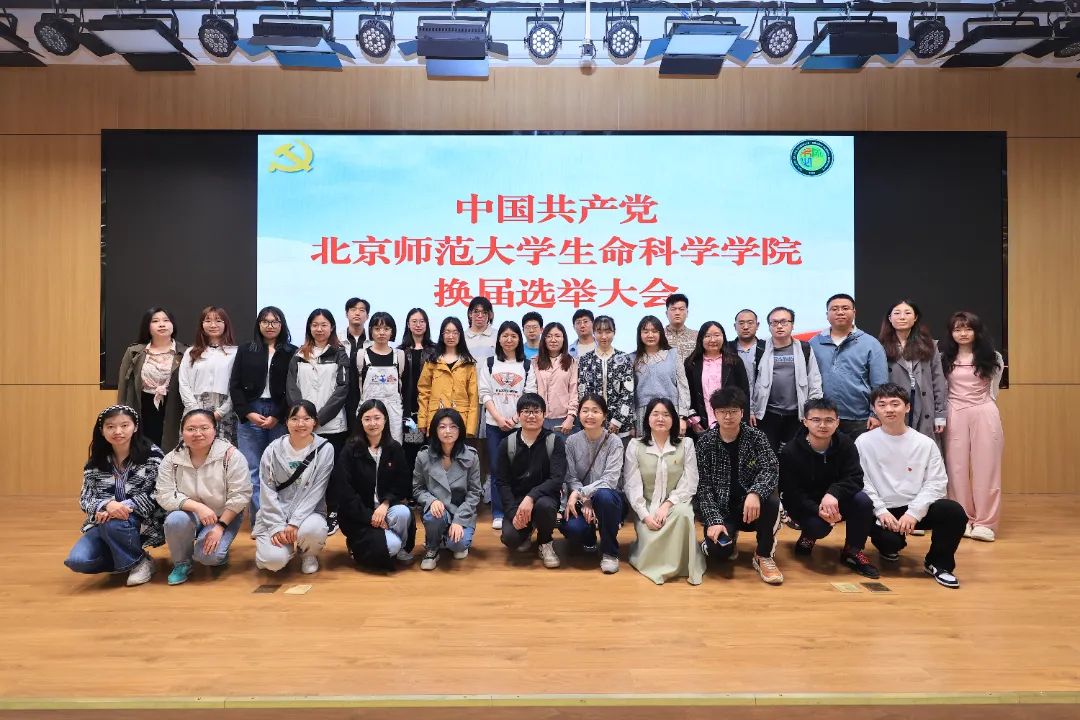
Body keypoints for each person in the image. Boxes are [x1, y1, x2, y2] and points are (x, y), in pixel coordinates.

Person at [856, 383, 968, 589]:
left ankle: (938, 564)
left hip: (915, 507)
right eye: (882, 404)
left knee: (953, 511)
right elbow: (861, 481)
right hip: (883, 510)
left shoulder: (925, 443)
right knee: (890, 542)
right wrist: (880, 510)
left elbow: (937, 482)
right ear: (874, 409)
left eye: (895, 404)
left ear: (907, 407)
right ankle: (888, 546)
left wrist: (914, 513)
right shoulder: (863, 442)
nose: (889, 409)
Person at [778, 398, 879, 578]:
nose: (823, 425)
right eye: (816, 420)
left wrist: (833, 493)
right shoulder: (790, 451)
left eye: (829, 420)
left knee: (863, 501)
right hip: (806, 506)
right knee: (818, 527)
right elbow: (791, 493)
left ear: (837, 422)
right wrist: (818, 509)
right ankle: (808, 536)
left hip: (836, 501)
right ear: (805, 421)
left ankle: (853, 550)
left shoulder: (846, 444)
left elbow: (855, 478)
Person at [64, 405, 164, 586]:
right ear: (102, 431)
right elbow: (85, 498)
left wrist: (120, 508)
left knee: (114, 524)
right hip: (103, 520)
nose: (118, 431)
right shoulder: (95, 461)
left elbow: (157, 493)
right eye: (110, 427)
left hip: (142, 520)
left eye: (124, 425)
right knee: (77, 561)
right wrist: (105, 505)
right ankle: (133, 558)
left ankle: (138, 563)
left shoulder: (152, 456)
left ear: (135, 427)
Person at [695, 387, 783, 585]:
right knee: (718, 552)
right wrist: (714, 521)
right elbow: (703, 487)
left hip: (751, 508)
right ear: (715, 413)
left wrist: (755, 492)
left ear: (742, 412)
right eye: (722, 411)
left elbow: (771, 468)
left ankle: (763, 555)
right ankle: (729, 536)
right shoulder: (705, 443)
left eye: (733, 411)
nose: (728, 416)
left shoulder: (756, 437)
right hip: (722, 510)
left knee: (772, 501)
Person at [155, 409, 252, 585]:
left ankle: (217, 547)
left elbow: (240, 495)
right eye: (191, 429)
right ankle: (182, 563)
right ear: (182, 431)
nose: (197, 433)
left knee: (209, 557)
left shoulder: (231, 456)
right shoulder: (171, 459)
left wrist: (220, 527)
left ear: (215, 430)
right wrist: (198, 507)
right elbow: (164, 494)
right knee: (175, 520)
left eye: (204, 428)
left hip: (223, 516)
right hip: (188, 514)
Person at [623, 397, 703, 585]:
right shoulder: (635, 446)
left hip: (675, 502)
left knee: (684, 514)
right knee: (651, 531)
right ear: (647, 418)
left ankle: (683, 565)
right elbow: (632, 485)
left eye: (666, 414)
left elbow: (690, 481)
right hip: (647, 505)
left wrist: (667, 505)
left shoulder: (686, 444)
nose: (660, 418)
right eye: (655, 414)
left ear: (673, 419)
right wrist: (645, 516)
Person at [229, 306, 296, 528]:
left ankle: (278, 519)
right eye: (265, 321)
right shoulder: (246, 350)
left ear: (282, 325)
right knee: (253, 469)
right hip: (251, 411)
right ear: (258, 324)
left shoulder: (291, 352)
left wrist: (278, 415)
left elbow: (293, 388)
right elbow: (235, 385)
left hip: (280, 413)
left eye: (275, 321)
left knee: (279, 468)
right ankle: (261, 521)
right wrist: (247, 412)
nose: (270, 325)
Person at [941, 311, 1005, 542]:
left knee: (987, 467)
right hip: (954, 412)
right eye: (957, 329)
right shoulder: (944, 358)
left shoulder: (993, 357)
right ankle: (962, 519)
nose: (963, 333)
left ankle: (985, 523)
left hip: (984, 411)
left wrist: (981, 406)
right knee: (955, 468)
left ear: (977, 331)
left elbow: (994, 390)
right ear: (951, 333)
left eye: (968, 328)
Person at [332, 399, 416, 570]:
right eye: (367, 419)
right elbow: (344, 491)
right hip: (359, 515)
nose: (373, 423)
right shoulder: (350, 449)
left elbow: (402, 483)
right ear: (360, 421)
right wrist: (369, 516)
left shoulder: (394, 448)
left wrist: (385, 504)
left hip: (384, 510)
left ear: (385, 420)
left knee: (402, 512)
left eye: (377, 418)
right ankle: (362, 544)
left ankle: (394, 545)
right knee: (391, 546)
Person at [287, 308, 350, 535]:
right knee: (305, 471)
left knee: (332, 471)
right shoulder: (299, 354)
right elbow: (292, 388)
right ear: (309, 328)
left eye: (324, 325)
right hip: (304, 427)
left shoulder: (340, 354)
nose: (319, 329)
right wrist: (303, 419)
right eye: (315, 325)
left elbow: (342, 390)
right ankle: (304, 512)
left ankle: (333, 512)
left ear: (331, 327)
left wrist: (319, 418)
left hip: (332, 426)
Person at [253, 401, 333, 574]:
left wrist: (295, 522)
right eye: (294, 419)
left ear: (314, 422)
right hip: (277, 512)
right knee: (273, 562)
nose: (300, 424)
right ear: (286, 422)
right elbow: (267, 491)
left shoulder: (325, 449)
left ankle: (308, 554)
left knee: (313, 530)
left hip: (309, 512)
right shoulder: (272, 450)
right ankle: (278, 552)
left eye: (306, 418)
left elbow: (317, 491)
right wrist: (276, 526)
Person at [496, 393, 566, 568]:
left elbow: (556, 479)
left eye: (536, 411)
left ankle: (545, 541)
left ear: (544, 414)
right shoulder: (507, 443)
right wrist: (513, 513)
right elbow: (502, 483)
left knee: (545, 506)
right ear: (519, 415)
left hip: (545, 498)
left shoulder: (554, 441)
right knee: (511, 539)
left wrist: (531, 497)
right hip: (517, 502)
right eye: (526, 411)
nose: (531, 416)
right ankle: (527, 530)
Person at [479, 320, 536, 530]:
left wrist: (514, 419)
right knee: (497, 468)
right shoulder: (490, 363)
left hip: (519, 426)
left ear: (519, 339)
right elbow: (484, 393)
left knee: (519, 468)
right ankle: (498, 511)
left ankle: (517, 508)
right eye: (505, 335)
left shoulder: (526, 365)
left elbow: (529, 395)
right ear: (499, 339)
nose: (509, 339)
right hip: (494, 425)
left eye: (513, 336)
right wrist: (498, 418)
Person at [560, 394, 626, 574]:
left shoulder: (614, 442)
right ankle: (588, 537)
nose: (590, 415)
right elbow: (570, 477)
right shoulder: (572, 441)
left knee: (604, 497)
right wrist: (584, 499)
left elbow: (610, 480)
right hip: (580, 500)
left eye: (595, 411)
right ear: (579, 414)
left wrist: (583, 493)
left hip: (608, 498)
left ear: (604, 416)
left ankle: (610, 552)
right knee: (572, 528)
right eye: (585, 411)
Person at [809, 294, 888, 440]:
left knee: (858, 455)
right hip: (823, 417)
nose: (840, 312)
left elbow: (880, 384)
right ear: (827, 314)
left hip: (859, 419)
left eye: (845, 308)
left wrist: (876, 414)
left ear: (854, 312)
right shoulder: (814, 343)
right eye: (834, 309)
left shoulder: (871, 344)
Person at [413, 408, 482, 570]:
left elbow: (474, 493)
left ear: (460, 430)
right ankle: (432, 548)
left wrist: (459, 520)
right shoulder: (423, 456)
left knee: (457, 546)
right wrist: (431, 501)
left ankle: (448, 537)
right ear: (435, 430)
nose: (448, 431)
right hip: (438, 511)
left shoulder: (471, 456)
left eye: (453, 427)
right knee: (434, 515)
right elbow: (417, 489)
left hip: (461, 510)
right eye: (442, 427)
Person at [753, 306, 823, 453]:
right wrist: (751, 410)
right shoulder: (759, 348)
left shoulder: (804, 348)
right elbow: (749, 382)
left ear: (792, 325)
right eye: (774, 322)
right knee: (768, 456)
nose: (779, 326)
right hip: (767, 414)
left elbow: (814, 381)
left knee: (794, 456)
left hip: (796, 415)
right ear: (769, 326)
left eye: (784, 322)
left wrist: (812, 411)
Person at [879, 300, 948, 446]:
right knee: (896, 445)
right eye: (897, 313)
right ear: (890, 318)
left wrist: (940, 414)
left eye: (907, 313)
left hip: (923, 401)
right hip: (896, 401)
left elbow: (938, 380)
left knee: (924, 447)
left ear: (915, 317)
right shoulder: (880, 346)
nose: (902, 317)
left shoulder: (929, 344)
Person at [117, 307, 186, 450]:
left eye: (166, 320)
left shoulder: (185, 352)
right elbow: (123, 386)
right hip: (143, 405)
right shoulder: (134, 352)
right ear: (147, 326)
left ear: (173, 325)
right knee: (142, 448)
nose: (162, 324)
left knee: (171, 448)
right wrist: (121, 413)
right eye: (155, 321)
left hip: (174, 407)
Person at [178, 306, 239, 445]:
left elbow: (237, 385)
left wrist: (221, 412)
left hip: (224, 411)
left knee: (223, 452)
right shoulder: (191, 352)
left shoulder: (235, 352)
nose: (213, 325)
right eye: (208, 320)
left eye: (218, 320)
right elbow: (183, 382)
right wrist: (195, 410)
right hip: (194, 407)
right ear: (202, 324)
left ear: (226, 324)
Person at [685, 320, 750, 437]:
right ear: (700, 339)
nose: (713, 340)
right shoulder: (691, 363)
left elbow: (744, 392)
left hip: (730, 420)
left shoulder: (734, 361)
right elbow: (687, 393)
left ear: (723, 337)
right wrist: (693, 419)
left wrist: (742, 420)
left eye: (717, 335)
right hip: (702, 423)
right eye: (707, 336)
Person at [417, 316, 480, 437]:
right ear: (442, 335)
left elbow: (473, 398)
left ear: (460, 335)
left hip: (460, 419)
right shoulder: (432, 361)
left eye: (455, 332)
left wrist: (470, 428)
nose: (451, 336)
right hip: (436, 418)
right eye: (447, 332)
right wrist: (422, 421)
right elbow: (423, 393)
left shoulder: (468, 363)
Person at [576, 315, 635, 438]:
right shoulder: (585, 360)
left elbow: (628, 393)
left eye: (608, 332)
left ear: (614, 332)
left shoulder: (623, 358)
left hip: (620, 427)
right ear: (593, 333)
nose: (604, 336)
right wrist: (590, 417)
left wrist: (617, 421)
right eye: (599, 332)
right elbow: (582, 393)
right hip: (592, 424)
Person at [632, 315, 691, 435]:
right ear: (640, 334)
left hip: (670, 411)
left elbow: (683, 386)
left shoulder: (673, 355)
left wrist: (682, 417)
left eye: (654, 331)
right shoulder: (632, 359)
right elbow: (629, 393)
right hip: (643, 414)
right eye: (646, 331)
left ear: (661, 333)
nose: (650, 335)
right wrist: (631, 420)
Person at [356, 312, 407, 444]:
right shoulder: (361, 356)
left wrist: (406, 417)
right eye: (377, 329)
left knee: (393, 447)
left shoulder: (400, 356)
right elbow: (353, 391)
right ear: (371, 331)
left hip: (394, 413)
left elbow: (407, 389)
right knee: (368, 447)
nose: (382, 333)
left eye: (386, 329)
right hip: (368, 412)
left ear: (392, 331)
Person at [398, 308, 436, 476]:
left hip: (429, 407)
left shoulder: (435, 350)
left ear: (426, 324)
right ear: (408, 324)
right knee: (412, 450)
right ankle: (412, 487)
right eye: (414, 321)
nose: (418, 325)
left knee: (431, 448)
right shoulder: (400, 351)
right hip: (409, 408)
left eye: (421, 321)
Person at [533, 322, 578, 435]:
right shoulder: (535, 362)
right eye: (549, 336)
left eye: (557, 336)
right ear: (544, 339)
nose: (553, 340)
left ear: (564, 339)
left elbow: (574, 391)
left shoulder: (571, 362)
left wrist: (570, 417)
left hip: (563, 420)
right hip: (539, 418)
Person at [342, 297, 370, 434]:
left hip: (367, 396)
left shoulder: (373, 341)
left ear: (367, 316)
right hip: (343, 398)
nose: (357, 313)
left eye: (362, 310)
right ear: (346, 314)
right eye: (353, 309)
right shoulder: (336, 340)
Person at [728, 309, 766, 401]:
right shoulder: (726, 349)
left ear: (757, 325)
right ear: (735, 326)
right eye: (741, 323)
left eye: (750, 323)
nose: (745, 327)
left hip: (763, 403)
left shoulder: (767, 348)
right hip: (734, 403)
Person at [664, 293, 697, 363]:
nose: (677, 313)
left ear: (687, 313)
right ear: (666, 313)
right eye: (673, 309)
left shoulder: (697, 336)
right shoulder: (659, 336)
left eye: (681, 309)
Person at [464, 296, 497, 362]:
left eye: (484, 312)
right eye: (476, 311)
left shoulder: (498, 335)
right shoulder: (462, 337)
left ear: (490, 315)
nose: (480, 315)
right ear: (470, 314)